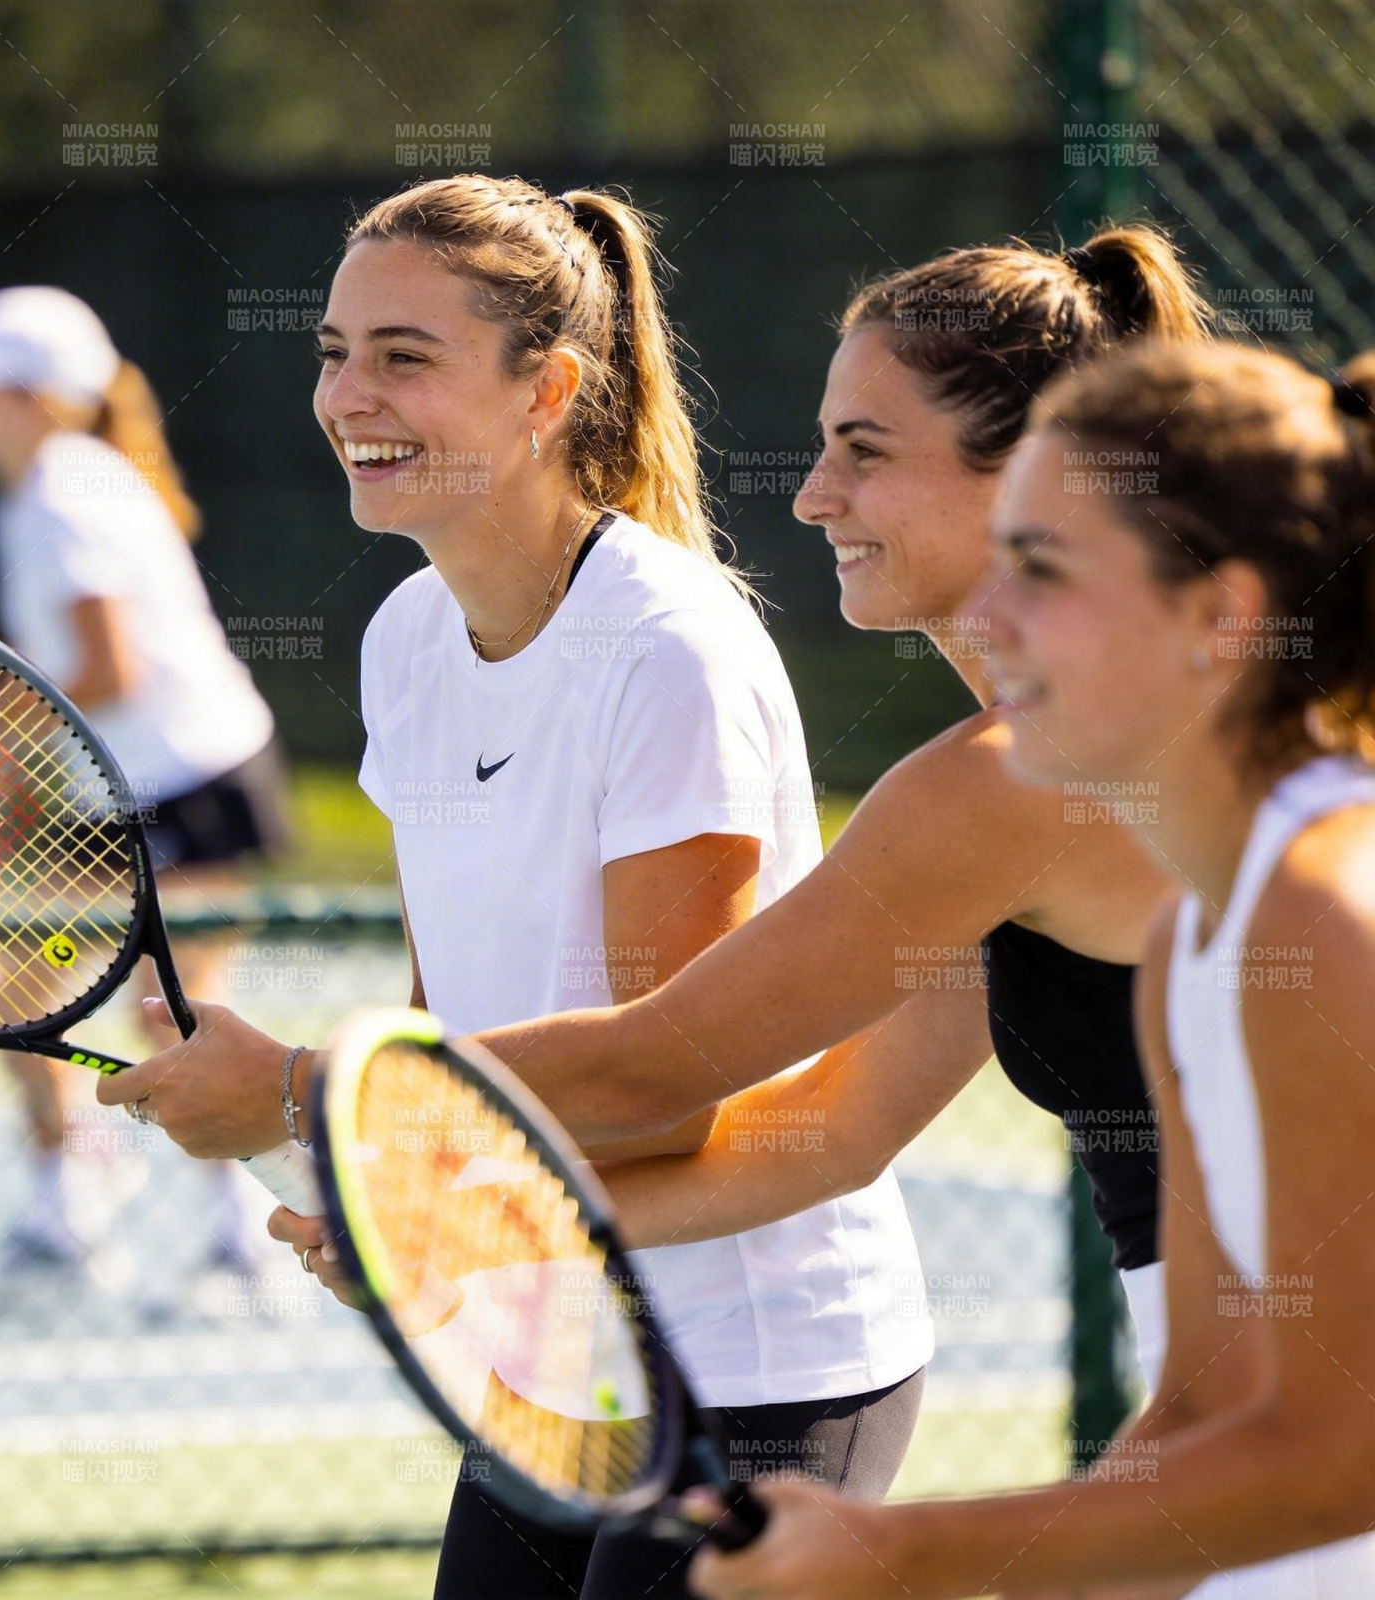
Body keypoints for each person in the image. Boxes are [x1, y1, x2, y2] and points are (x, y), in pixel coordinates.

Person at [107, 225, 1211, 1398]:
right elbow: (831, 1129)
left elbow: (659, 1063)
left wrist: (299, 1087)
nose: (809, 496)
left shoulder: (1013, 775)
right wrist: (469, 1225)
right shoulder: (1064, 751)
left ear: (1035, 475)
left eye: (865, 452)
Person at [128, 172, 934, 1600]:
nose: (346, 396)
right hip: (548, 1349)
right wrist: (399, 1187)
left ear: (546, 388)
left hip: (754, 1373)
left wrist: (319, 1108)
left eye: (403, 357)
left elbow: (671, 1085)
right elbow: (457, 1033)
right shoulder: (407, 642)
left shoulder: (668, 652)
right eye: (333, 351)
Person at [688, 339, 1375, 1597]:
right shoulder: (1192, 941)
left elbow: (1341, 1459)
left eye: (1042, 570)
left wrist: (897, 1555)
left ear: (1218, 616)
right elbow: (1199, 1407)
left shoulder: (1330, 921)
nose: (990, 619)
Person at [0, 287, 291, 1276]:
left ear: (36, 396)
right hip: (113, 795)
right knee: (22, 985)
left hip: (191, 785)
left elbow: (110, 673)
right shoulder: (40, 490)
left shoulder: (67, 490)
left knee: (173, 1008)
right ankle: (71, 1196)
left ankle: (247, 1234)